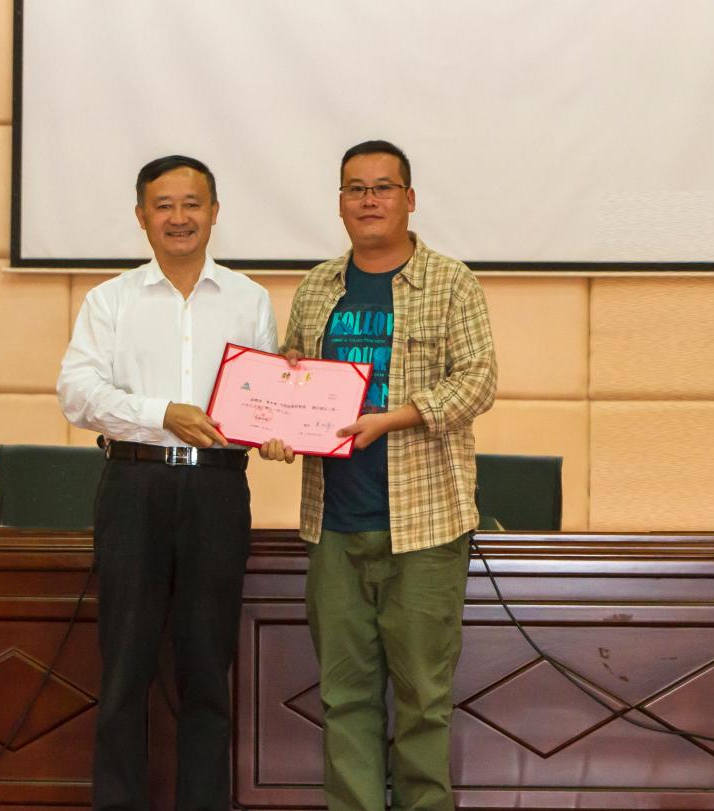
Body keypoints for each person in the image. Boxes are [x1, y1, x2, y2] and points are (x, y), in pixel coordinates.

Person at [261, 140, 497, 811]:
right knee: (345, 698)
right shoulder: (317, 287)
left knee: (423, 699)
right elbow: (290, 377)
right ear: (340, 202)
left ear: (409, 199)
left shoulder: (451, 281)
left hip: (424, 527)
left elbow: (478, 381)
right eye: (355, 189)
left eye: (383, 187)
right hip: (334, 525)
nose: (369, 200)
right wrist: (275, 426)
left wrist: (393, 419)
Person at [57, 155, 277, 811]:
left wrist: (277, 428)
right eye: (164, 205)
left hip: (217, 492)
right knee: (125, 666)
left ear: (214, 212)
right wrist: (161, 414)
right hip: (134, 487)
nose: (179, 217)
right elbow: (77, 393)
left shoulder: (249, 299)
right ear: (141, 216)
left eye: (192, 203)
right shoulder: (110, 300)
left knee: (208, 668)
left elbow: (263, 398)